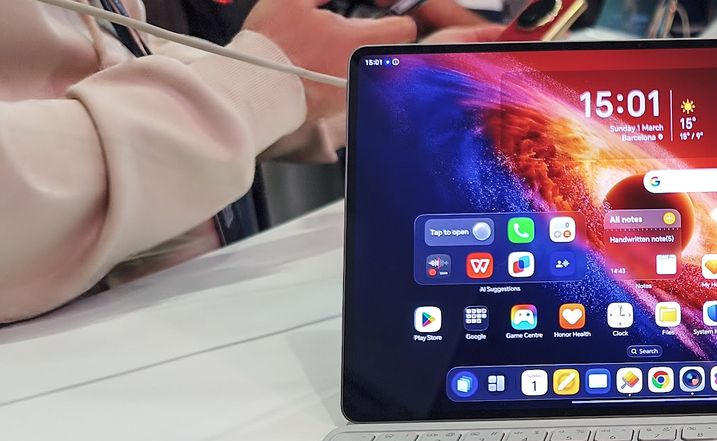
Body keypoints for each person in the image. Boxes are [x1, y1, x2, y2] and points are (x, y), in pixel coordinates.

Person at [0, 0, 497, 324]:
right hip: (51, 375)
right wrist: (270, 74)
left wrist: (405, 84)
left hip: (176, 321)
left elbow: (120, 67)